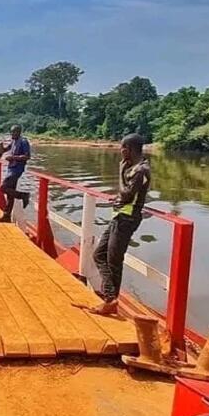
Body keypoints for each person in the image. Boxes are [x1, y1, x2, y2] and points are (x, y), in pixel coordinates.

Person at [90, 133, 151, 316]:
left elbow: (126, 195)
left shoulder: (140, 170)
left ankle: (110, 300)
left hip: (127, 219)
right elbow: (124, 195)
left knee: (114, 261)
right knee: (99, 254)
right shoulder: (133, 167)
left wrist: (119, 172)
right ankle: (110, 297)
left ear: (129, 149)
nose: (120, 152)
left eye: (122, 148)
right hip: (119, 216)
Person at [0, 125, 31, 223]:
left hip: (17, 169)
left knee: (2, 187)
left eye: (13, 132)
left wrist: (13, 158)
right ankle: (6, 216)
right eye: (11, 132)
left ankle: (24, 195)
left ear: (18, 132)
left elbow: (27, 156)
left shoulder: (23, 141)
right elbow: (6, 149)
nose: (11, 134)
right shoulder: (14, 141)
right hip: (11, 168)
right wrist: (1, 148)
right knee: (10, 194)